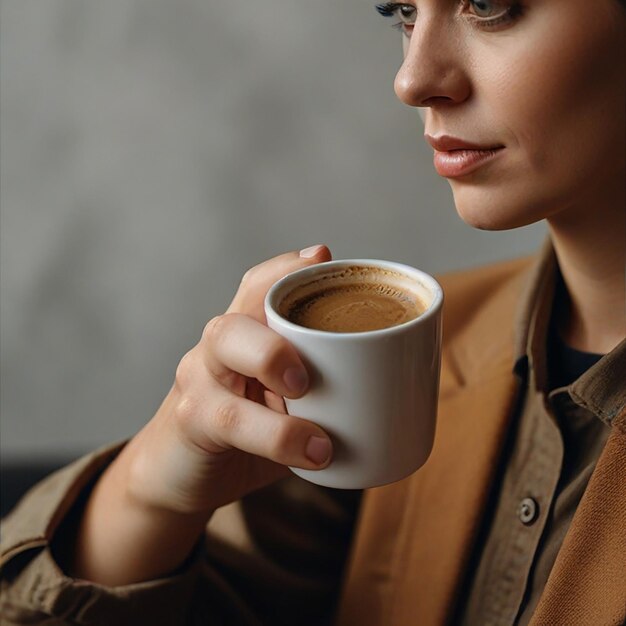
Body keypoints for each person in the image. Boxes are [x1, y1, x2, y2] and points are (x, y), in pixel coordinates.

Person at [1, 0, 625, 624]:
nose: (412, 80)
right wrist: (150, 492)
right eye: (402, 13)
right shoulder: (404, 361)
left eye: (487, 6)